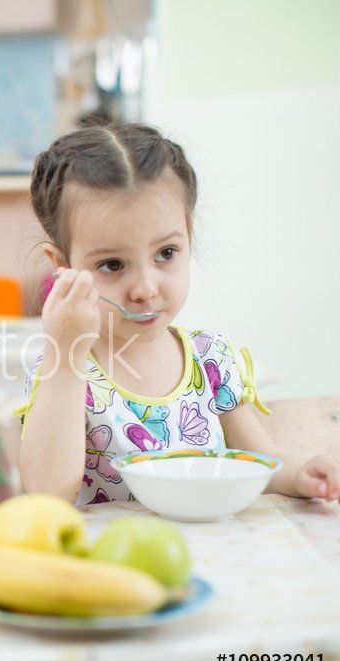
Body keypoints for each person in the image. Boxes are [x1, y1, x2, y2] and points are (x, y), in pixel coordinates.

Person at [17, 123, 340, 505]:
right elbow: (47, 494)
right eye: (113, 264)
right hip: (112, 560)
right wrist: (66, 352)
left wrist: (299, 473)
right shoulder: (64, 370)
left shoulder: (210, 358)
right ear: (63, 266)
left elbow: (259, 461)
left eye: (166, 254)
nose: (145, 288)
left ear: (189, 237)